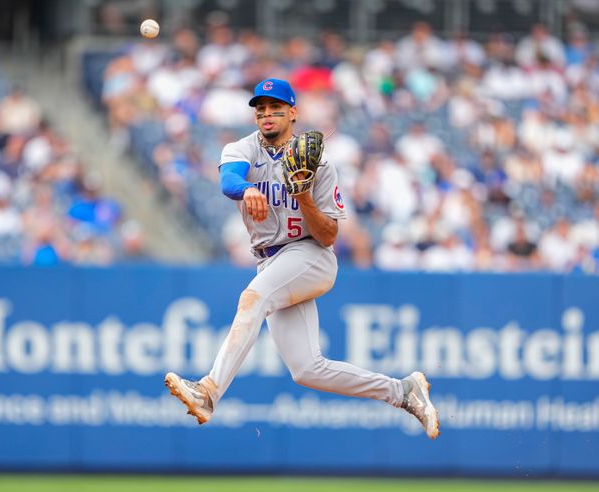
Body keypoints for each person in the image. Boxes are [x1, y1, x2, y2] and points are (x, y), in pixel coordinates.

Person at [164, 78, 440, 439]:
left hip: (311, 256)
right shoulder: (241, 149)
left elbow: (329, 236)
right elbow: (228, 182)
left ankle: (209, 391)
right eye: (260, 109)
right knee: (307, 369)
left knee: (253, 299)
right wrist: (247, 189)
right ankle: (402, 391)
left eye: (275, 108)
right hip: (271, 261)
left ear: (292, 113)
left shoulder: (318, 164)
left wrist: (305, 196)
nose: (266, 115)